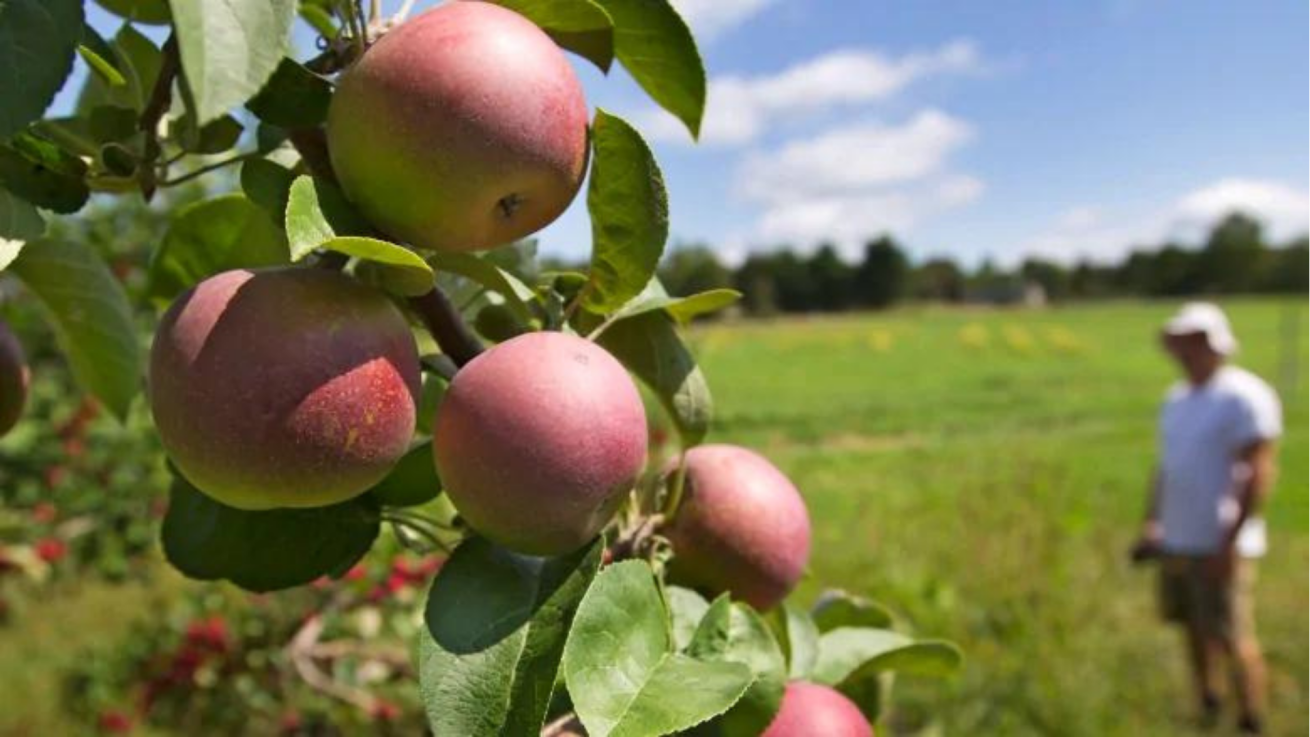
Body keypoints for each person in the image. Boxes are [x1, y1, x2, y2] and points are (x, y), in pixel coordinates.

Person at [1131, 302, 1281, 734]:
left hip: (1218, 542)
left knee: (1233, 635)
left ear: (1217, 346)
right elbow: (1166, 467)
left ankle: (1252, 718)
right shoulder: (1176, 400)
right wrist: (1152, 523)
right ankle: (1208, 702)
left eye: (1196, 343)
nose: (1186, 352)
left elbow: (1258, 471)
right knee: (1192, 628)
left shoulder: (1244, 397)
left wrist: (1229, 542)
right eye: (1181, 343)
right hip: (1178, 538)